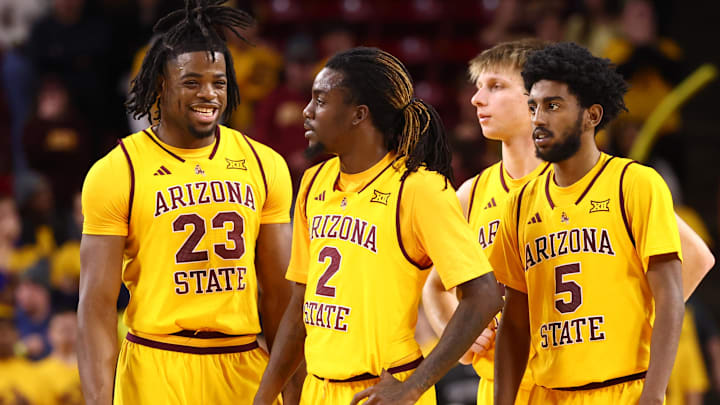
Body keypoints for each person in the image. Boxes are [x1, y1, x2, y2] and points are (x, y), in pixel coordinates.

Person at [422, 39, 715, 405]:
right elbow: (436, 286)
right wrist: (460, 335)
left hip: (595, 379)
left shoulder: (603, 178)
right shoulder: (474, 192)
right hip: (506, 382)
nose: (477, 99)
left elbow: (696, 259)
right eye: (478, 87)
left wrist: (623, 326)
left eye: (495, 86)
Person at [253, 47, 503, 405]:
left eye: (321, 101)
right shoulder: (313, 181)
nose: (307, 112)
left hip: (381, 389)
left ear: (358, 115)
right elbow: (299, 305)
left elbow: (484, 295)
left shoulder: (418, 188)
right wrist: (265, 397)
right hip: (318, 390)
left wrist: (413, 387)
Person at [78, 1, 294, 404]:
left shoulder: (265, 165)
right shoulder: (117, 170)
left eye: (219, 81)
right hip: (157, 361)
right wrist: (97, 399)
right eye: (192, 82)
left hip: (243, 361)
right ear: (160, 84)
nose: (209, 94)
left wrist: (295, 390)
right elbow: (96, 306)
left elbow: (281, 295)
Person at [491, 42, 683, 404]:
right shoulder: (519, 203)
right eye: (533, 106)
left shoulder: (635, 184)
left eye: (553, 106)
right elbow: (514, 321)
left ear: (591, 115)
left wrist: (655, 394)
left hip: (623, 389)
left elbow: (670, 295)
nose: (538, 119)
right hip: (546, 394)